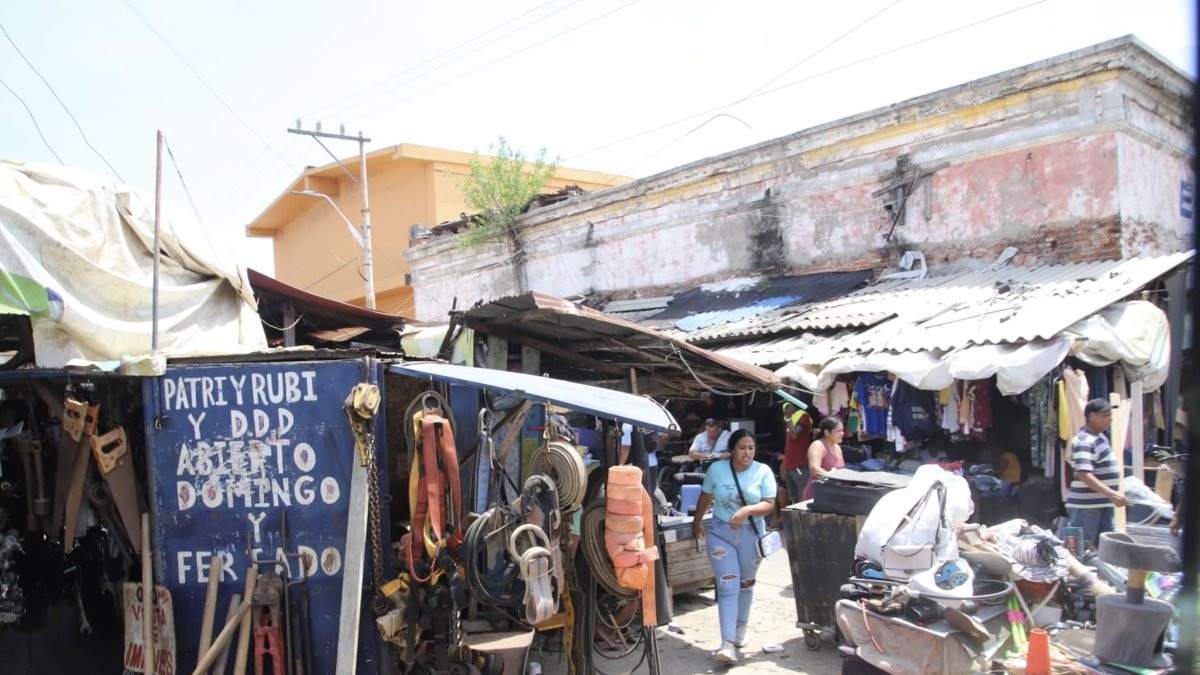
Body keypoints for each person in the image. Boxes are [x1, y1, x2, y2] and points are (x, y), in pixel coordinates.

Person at [691, 429, 777, 664]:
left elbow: (770, 504)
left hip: (752, 535)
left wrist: (747, 510)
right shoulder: (716, 469)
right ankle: (727, 643)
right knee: (728, 585)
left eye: (751, 448)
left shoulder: (763, 471)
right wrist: (697, 523)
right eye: (742, 448)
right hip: (721, 534)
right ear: (732, 449)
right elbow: (706, 496)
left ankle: (740, 629)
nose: (747, 452)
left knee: (745, 584)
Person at [1067, 398, 1127, 550]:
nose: (1110, 420)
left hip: (1102, 503)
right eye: (1106, 416)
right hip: (1086, 507)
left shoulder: (1100, 438)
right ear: (1092, 416)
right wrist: (1112, 494)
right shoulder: (1083, 441)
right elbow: (1084, 474)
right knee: (1080, 550)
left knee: (1108, 549)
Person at [801, 417, 846, 501]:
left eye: (842, 430)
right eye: (838, 431)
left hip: (833, 495)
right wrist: (831, 478)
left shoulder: (837, 447)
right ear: (827, 432)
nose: (842, 433)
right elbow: (814, 468)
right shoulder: (818, 445)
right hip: (816, 496)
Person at [780, 403, 813, 506]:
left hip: (800, 466)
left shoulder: (803, 416)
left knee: (803, 499)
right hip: (789, 466)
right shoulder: (791, 420)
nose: (786, 411)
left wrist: (789, 419)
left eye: (788, 407)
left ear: (793, 406)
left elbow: (795, 434)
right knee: (793, 500)